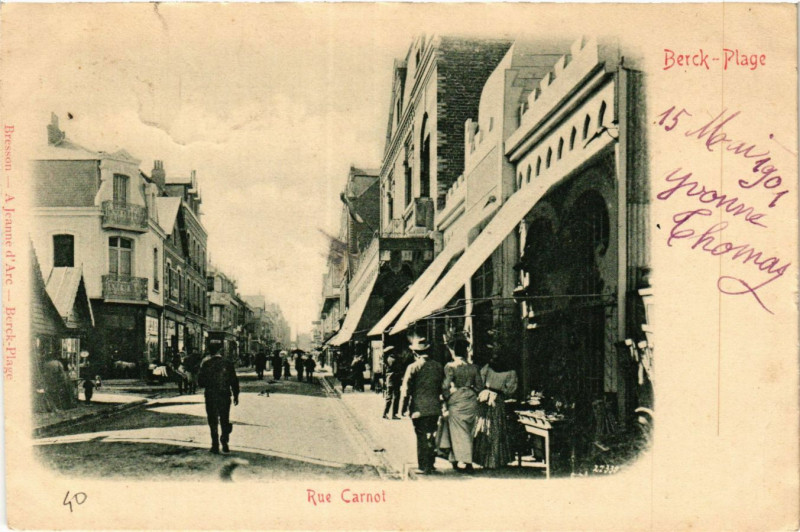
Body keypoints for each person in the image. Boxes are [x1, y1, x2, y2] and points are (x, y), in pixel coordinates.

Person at [401, 335, 444, 475]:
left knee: (421, 436)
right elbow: (442, 387)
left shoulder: (413, 367)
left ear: (415, 353)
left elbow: (406, 390)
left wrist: (402, 408)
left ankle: (423, 466)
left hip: (418, 408)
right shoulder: (438, 367)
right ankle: (431, 464)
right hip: (434, 407)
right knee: (431, 434)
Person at [440, 337, 482, 472]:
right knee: (468, 432)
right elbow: (480, 386)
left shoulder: (450, 367)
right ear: (465, 352)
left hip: (457, 399)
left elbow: (445, 385)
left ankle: (463, 461)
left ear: (454, 352)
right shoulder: (474, 368)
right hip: (470, 399)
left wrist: (446, 397)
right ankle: (458, 459)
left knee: (457, 432)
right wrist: (472, 392)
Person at [473, 345, 518, 470]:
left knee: (484, 426)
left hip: (485, 396)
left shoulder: (488, 368)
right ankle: (495, 460)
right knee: (496, 428)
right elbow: (510, 390)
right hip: (497, 399)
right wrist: (501, 390)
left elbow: (480, 381)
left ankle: (484, 459)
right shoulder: (510, 372)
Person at [198, 348, 240, 454]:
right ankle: (224, 440)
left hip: (211, 396)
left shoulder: (206, 364)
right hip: (224, 395)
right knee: (224, 418)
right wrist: (236, 395)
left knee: (212, 420)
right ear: (220, 352)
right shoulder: (228, 363)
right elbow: (234, 380)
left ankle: (215, 445)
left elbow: (201, 382)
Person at [382, 346, 402, 419]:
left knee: (389, 397)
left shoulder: (386, 359)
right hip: (394, 380)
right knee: (396, 397)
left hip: (389, 380)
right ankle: (394, 414)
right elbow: (398, 369)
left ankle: (385, 413)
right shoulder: (393, 359)